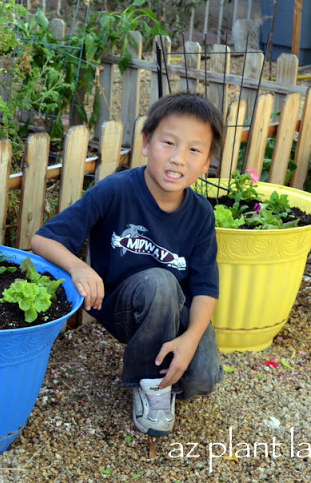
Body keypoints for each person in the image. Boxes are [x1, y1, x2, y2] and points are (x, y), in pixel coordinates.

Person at [31, 92, 225, 436]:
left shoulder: (200, 215)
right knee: (160, 282)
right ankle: (150, 385)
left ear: (207, 162)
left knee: (204, 380)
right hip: (123, 307)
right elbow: (43, 239)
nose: (178, 159)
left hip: (174, 310)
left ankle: (168, 362)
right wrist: (79, 267)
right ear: (147, 143)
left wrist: (192, 338)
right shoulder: (117, 190)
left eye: (194, 150)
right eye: (169, 143)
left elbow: (206, 286)